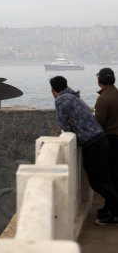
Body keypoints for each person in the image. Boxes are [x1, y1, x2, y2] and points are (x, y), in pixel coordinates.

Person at [50, 76, 118, 225]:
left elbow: (63, 124)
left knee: (97, 182)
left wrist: (71, 130)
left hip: (92, 144)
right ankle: (110, 211)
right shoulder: (74, 95)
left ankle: (116, 211)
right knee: (106, 180)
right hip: (101, 139)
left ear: (53, 90)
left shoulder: (60, 99)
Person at [94, 68, 118, 219]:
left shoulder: (103, 99)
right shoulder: (116, 94)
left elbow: (99, 123)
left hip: (111, 140)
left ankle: (114, 212)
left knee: (110, 177)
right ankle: (109, 207)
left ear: (100, 80)